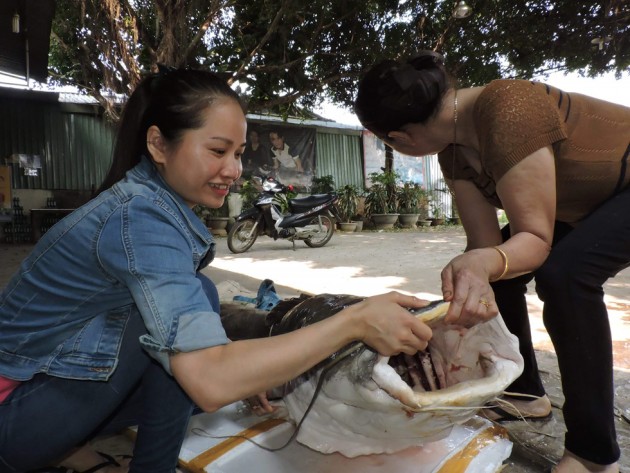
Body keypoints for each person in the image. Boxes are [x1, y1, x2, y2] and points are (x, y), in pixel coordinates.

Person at [0, 68, 433, 473]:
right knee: (188, 338)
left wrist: (247, 370)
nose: (233, 169)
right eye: (217, 150)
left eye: (239, 153)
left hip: (41, 394)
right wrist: (352, 321)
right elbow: (208, 380)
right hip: (13, 419)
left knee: (198, 302)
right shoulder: (139, 220)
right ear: (158, 145)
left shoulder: (150, 206)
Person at [354, 50, 629, 473]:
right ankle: (523, 394)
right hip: (589, 206)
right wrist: (459, 290)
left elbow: (536, 240)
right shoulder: (452, 150)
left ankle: (594, 455)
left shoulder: (508, 108)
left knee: (566, 276)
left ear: (399, 138)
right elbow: (485, 246)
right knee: (494, 273)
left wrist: (483, 264)